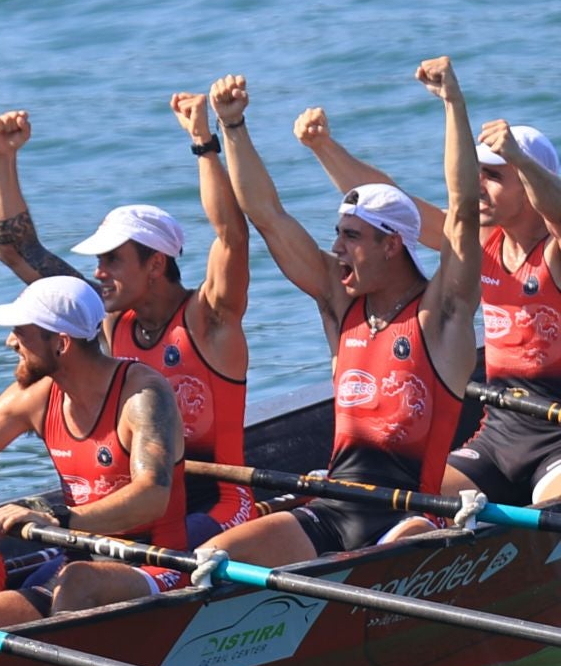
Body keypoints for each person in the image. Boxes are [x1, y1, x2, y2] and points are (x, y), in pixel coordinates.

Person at [203, 60, 480, 564]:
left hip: (413, 514)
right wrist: (232, 126)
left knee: (393, 547)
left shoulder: (440, 315)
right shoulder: (341, 306)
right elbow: (267, 215)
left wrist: (452, 105)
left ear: (393, 244)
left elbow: (462, 212)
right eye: (337, 235)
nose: (335, 249)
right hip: (337, 506)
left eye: (350, 237)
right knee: (214, 556)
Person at [0, 92, 254, 544]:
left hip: (219, 507)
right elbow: (17, 252)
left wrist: (204, 143)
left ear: (155, 264)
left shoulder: (209, 319)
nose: (98, 273)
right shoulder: (109, 322)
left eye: (112, 260)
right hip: (143, 506)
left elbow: (232, 236)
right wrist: (3, 158)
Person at [297, 106, 561, 506]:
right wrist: (324, 147)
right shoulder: (481, 243)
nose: (478, 186)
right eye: (477, 174)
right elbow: (392, 202)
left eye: (493, 176)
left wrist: (521, 158)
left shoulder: (555, 251)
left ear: (529, 183)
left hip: (557, 435)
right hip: (499, 433)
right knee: (400, 500)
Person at [0, 276, 189, 626]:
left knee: (78, 582)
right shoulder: (38, 396)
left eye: (21, 331)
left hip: (154, 564)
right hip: (76, 563)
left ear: (61, 343)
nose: (10, 341)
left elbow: (152, 495)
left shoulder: (143, 396)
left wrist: (57, 520)